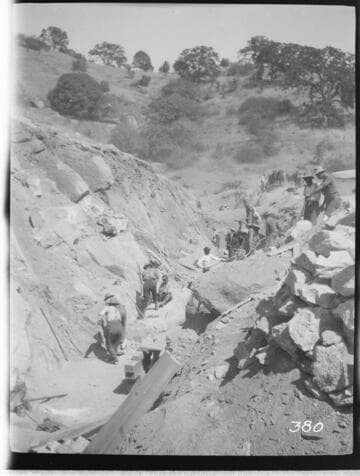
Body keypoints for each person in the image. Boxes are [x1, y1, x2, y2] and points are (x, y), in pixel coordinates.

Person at [99, 293, 127, 364]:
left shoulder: (107, 307)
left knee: (109, 344)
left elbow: (101, 314)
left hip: (112, 326)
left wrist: (100, 321)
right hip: (120, 326)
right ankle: (114, 355)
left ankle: (115, 359)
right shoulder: (117, 309)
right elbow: (122, 319)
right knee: (116, 342)